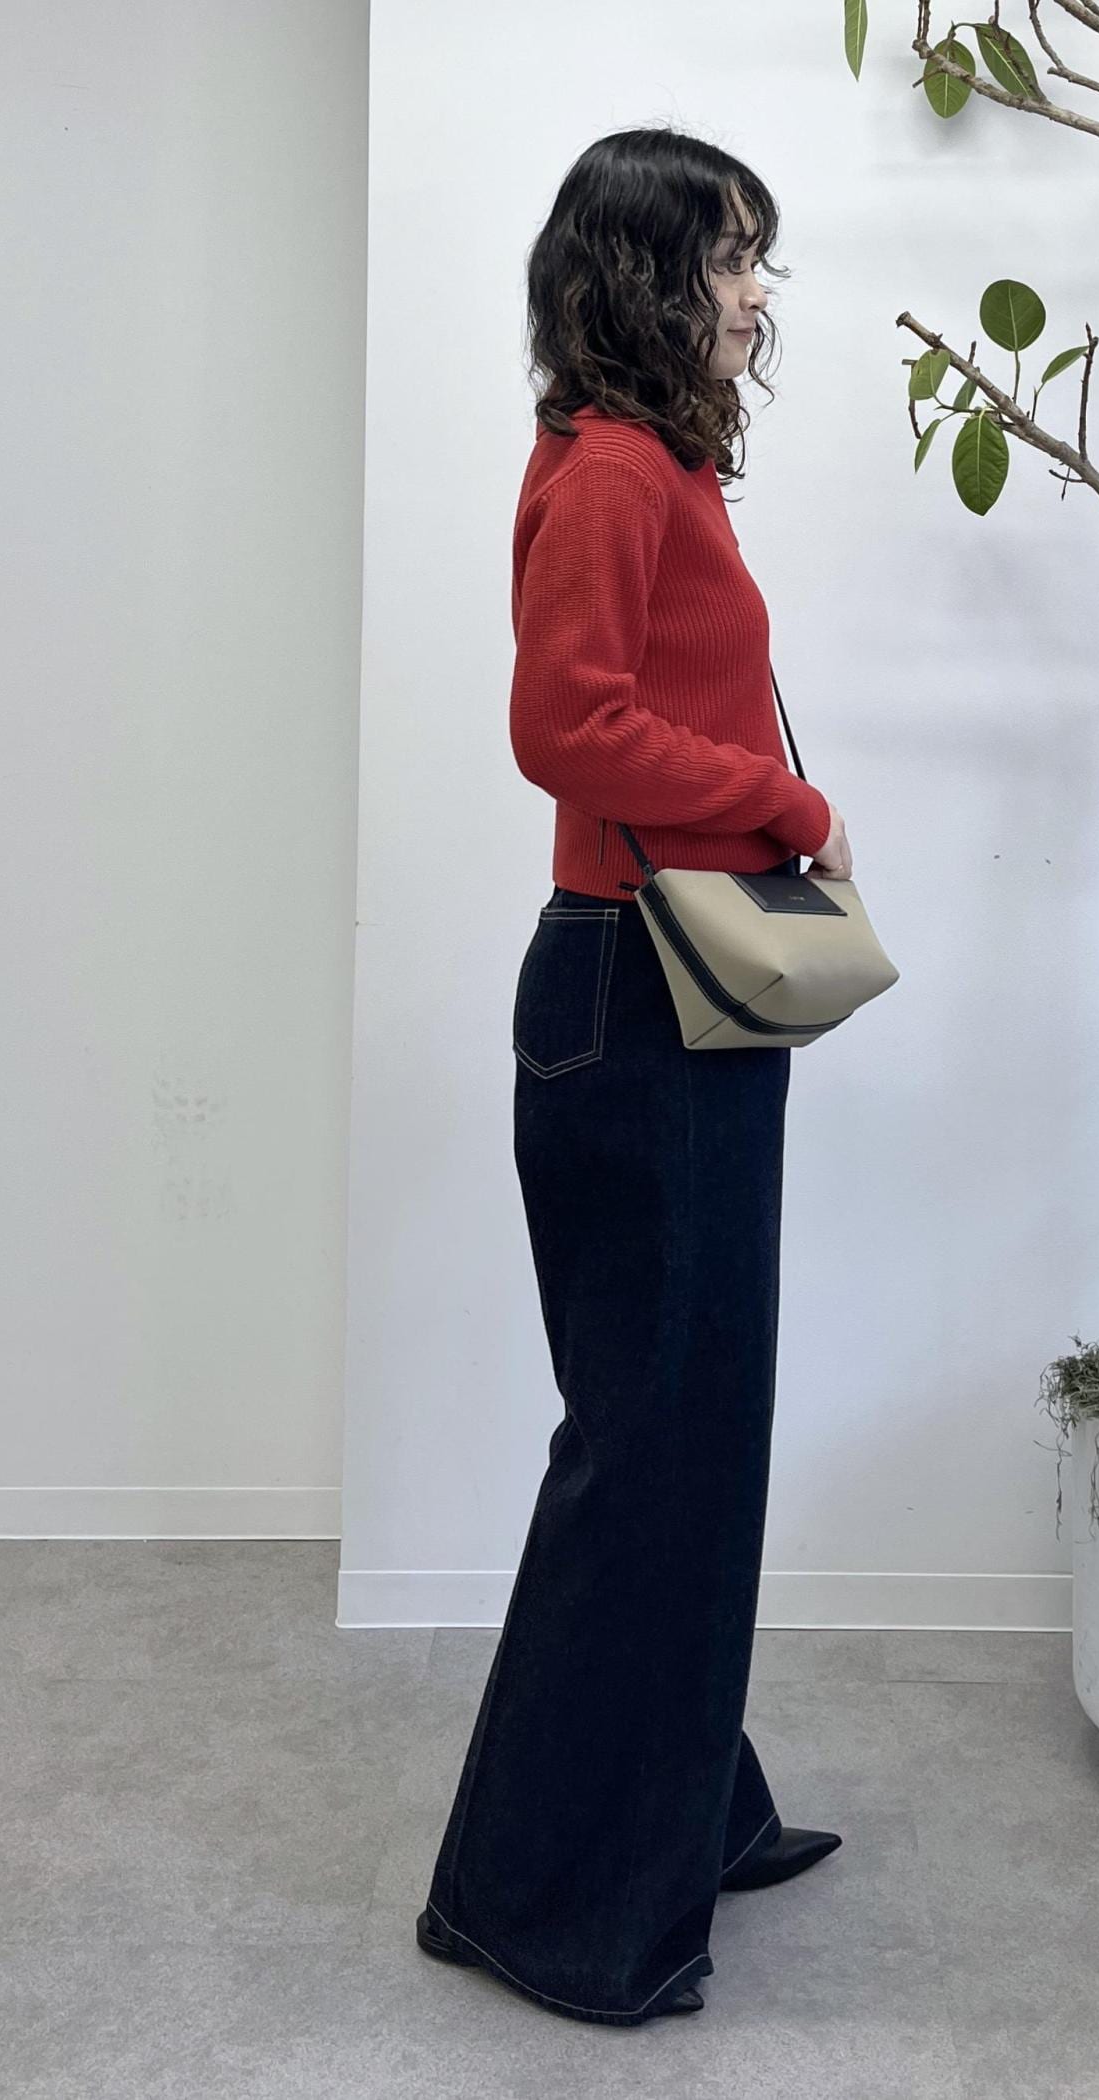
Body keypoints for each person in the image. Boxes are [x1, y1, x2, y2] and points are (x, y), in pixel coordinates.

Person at [416, 123, 853, 2028]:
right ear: (647, 276)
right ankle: (540, 1905)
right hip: (631, 991)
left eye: (759, 258)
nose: (758, 294)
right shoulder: (606, 470)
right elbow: (563, 722)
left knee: (695, 1429)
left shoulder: (663, 464)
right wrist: (787, 803)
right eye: (731, 259)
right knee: (648, 1440)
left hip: (680, 992)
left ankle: (690, 1807)